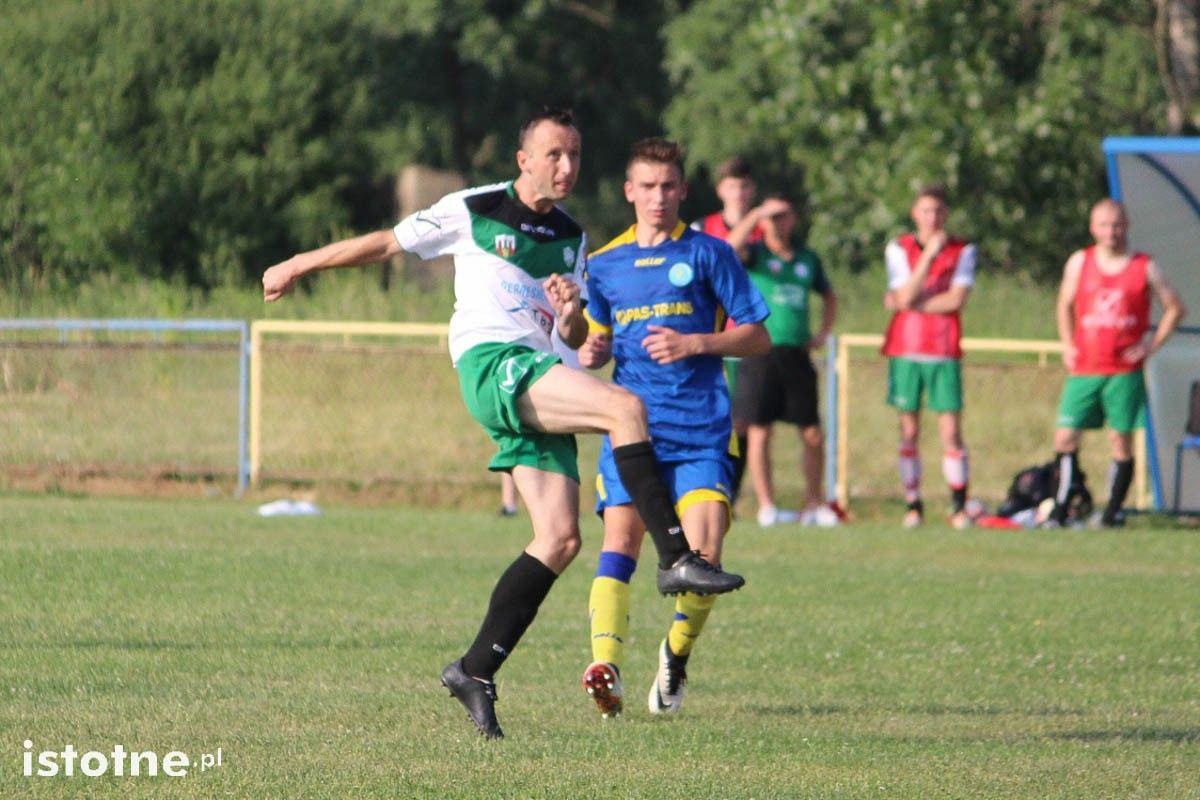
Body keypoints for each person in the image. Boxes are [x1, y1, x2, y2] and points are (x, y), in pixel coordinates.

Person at [261, 108, 744, 740]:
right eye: (552, 154)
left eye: (574, 154)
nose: (565, 166)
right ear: (524, 160)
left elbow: (571, 335)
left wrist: (572, 312)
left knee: (560, 539)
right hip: (494, 362)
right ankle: (676, 556)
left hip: (541, 372)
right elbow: (386, 243)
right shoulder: (474, 208)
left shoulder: (574, 238)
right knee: (625, 408)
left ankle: (475, 669)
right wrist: (299, 263)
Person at [577, 138, 770, 718]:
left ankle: (676, 654)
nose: (658, 198)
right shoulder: (604, 264)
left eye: (668, 187)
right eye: (647, 187)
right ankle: (604, 668)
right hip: (633, 432)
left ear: (683, 190)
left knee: (703, 558)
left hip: (702, 432)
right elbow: (594, 343)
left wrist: (698, 342)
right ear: (629, 192)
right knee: (621, 543)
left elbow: (758, 336)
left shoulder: (711, 253)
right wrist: (590, 350)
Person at [1049, 198, 1186, 528]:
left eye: (1117, 224)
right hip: (1086, 366)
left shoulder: (1143, 266)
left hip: (1123, 369)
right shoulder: (1080, 262)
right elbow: (1064, 304)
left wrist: (1150, 346)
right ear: (1093, 228)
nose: (1112, 231)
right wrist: (1068, 345)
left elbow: (1175, 307)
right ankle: (1061, 506)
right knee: (1065, 437)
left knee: (1120, 439)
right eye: (1105, 225)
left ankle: (1112, 511)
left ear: (1127, 226)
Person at [725, 193, 840, 527]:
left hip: (797, 353)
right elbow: (730, 247)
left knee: (812, 433)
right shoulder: (756, 255)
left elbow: (829, 296)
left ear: (793, 219)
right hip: (761, 351)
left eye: (784, 215)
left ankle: (814, 503)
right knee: (760, 431)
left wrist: (822, 332)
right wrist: (758, 212)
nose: (779, 222)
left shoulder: (807, 258)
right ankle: (768, 505)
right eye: (772, 217)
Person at [881, 184, 976, 529]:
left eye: (937, 211)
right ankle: (913, 504)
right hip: (906, 348)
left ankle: (958, 505)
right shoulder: (899, 248)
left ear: (945, 214)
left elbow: (955, 300)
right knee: (909, 430)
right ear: (915, 214)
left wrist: (911, 302)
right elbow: (903, 294)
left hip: (943, 348)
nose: (932, 218)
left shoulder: (963, 250)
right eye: (925, 211)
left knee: (950, 431)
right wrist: (928, 258)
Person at [691, 155, 763, 508]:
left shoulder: (767, 230)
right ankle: (705, 489)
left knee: (745, 422)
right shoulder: (703, 227)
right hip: (712, 339)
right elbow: (725, 251)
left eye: (745, 185)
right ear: (721, 190)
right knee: (716, 416)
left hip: (747, 338)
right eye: (732, 185)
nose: (739, 192)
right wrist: (754, 219)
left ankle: (729, 495)